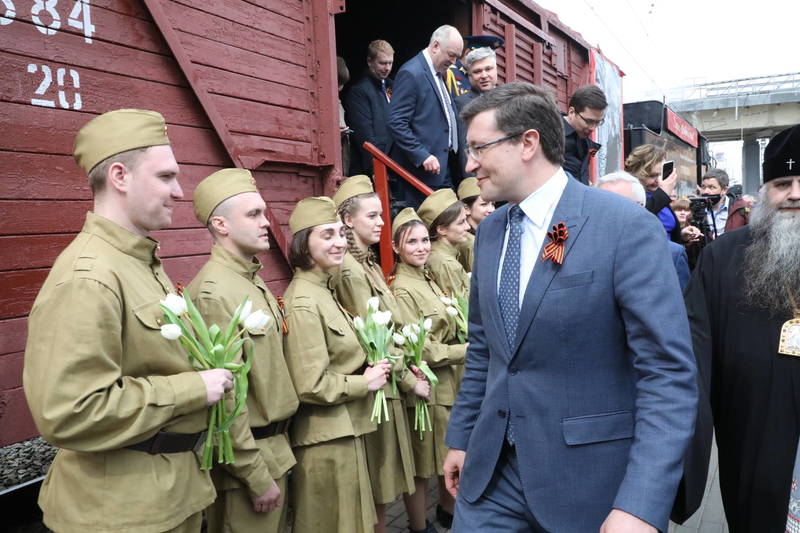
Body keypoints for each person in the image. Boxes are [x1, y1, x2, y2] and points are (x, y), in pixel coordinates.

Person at [443, 82, 697, 532]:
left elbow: (666, 375)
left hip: (587, 486)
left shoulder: (624, 228)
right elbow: (485, 349)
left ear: (527, 143)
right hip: (491, 481)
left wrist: (640, 504)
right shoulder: (491, 232)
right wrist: (462, 438)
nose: (469, 164)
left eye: (479, 147)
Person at [22, 109, 233, 533]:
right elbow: (70, 411)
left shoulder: (137, 262)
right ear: (119, 176)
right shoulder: (90, 276)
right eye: (166, 177)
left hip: (164, 495)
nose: (179, 192)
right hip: (121, 514)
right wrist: (193, 388)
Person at [682, 124, 800, 531]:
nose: (795, 193)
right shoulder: (722, 257)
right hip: (751, 440)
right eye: (783, 183)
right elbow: (692, 359)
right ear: (765, 191)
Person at [187, 169, 299, 533]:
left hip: (274, 450)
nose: (266, 223)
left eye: (264, 213)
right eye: (253, 214)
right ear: (221, 225)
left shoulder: (248, 279)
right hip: (249, 462)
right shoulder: (214, 291)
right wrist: (254, 474)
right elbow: (224, 399)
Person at [282, 196, 392, 533]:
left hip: (344, 431)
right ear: (303, 244)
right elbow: (310, 383)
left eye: (340, 234)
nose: (339, 242)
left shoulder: (324, 291)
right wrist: (366, 382)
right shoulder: (302, 301)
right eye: (326, 236)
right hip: (324, 442)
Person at [330, 175, 430, 533]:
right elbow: (376, 339)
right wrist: (408, 380)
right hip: (380, 389)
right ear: (347, 220)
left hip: (390, 384)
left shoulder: (367, 264)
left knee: (385, 486)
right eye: (372, 216)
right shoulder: (350, 271)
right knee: (378, 485)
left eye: (381, 215)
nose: (381, 222)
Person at [390, 208, 468, 533]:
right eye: (412, 242)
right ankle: (419, 527)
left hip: (449, 383)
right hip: (430, 388)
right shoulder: (403, 289)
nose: (421, 247)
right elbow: (421, 349)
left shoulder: (428, 279)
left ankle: (446, 518)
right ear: (396, 248)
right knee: (425, 465)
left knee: (443, 459)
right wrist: (467, 349)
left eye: (424, 240)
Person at [388, 25, 464, 208]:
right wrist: (422, 155)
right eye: (451, 55)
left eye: (456, 57)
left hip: (442, 169)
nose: (453, 62)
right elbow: (396, 122)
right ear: (436, 46)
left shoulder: (437, 73)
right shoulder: (412, 73)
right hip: (419, 173)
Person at [597, 171, 690, 290]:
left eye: (618, 205)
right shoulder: (582, 251)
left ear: (640, 206)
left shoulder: (671, 255)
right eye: (602, 206)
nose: (609, 213)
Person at [345, 40, 396, 176]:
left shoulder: (393, 86)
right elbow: (365, 138)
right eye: (382, 63)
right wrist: (377, 171)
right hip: (372, 170)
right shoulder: (359, 91)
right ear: (369, 61)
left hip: (394, 164)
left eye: (390, 63)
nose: (387, 68)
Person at [625, 144, 691, 243]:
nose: (658, 181)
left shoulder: (658, 196)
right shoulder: (629, 194)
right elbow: (638, 218)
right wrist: (663, 193)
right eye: (652, 176)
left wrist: (681, 236)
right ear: (636, 173)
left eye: (661, 174)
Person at [417, 188, 472, 301]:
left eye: (466, 220)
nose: (468, 227)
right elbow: (463, 308)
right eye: (461, 222)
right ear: (441, 230)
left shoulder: (437, 254)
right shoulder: (446, 264)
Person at [562, 85, 607, 185]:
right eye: (589, 121)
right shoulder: (551, 136)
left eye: (598, 122)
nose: (593, 128)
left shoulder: (585, 142)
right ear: (571, 112)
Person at [455, 176, 495, 272]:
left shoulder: (482, 233)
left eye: (493, 204)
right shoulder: (469, 242)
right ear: (467, 209)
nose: (491, 210)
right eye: (484, 204)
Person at [454, 47, 498, 113]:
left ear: (496, 70)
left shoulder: (510, 99)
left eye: (488, 69)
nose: (484, 75)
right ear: (469, 75)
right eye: (477, 71)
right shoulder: (459, 104)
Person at [698, 168, 731, 237]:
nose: (706, 191)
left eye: (711, 187)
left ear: (724, 190)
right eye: (703, 187)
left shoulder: (737, 209)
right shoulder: (697, 209)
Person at [338, 56, 352, 175]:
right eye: (338, 83)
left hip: (343, 159)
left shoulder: (339, 104)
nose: (340, 88)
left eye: (342, 84)